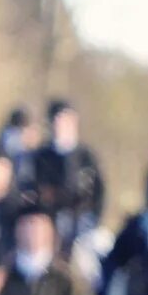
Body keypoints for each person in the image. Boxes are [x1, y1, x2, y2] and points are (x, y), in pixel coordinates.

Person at [26, 99, 105, 235]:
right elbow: (36, 191)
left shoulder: (86, 156)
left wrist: (93, 217)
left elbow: (99, 191)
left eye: (67, 120)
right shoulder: (42, 157)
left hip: (83, 222)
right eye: (59, 120)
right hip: (49, 224)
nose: (62, 125)